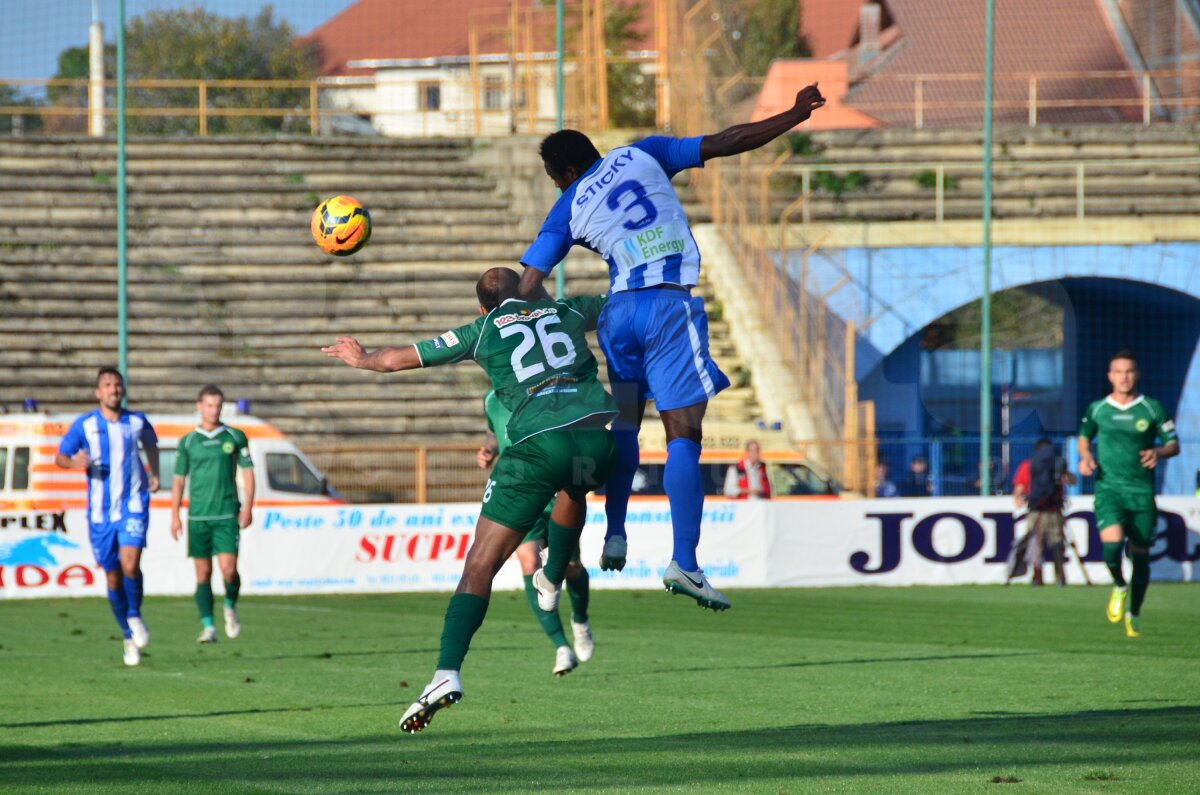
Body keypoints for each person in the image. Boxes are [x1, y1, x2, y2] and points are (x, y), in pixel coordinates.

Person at [516, 85, 827, 611]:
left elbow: (526, 287)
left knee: (627, 424)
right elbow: (727, 141)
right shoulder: (644, 152)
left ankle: (616, 532)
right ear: (593, 153)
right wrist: (794, 114)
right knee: (683, 432)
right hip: (666, 305)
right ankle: (685, 561)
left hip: (619, 316)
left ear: (563, 174)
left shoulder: (566, 208)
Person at [323, 267, 616, 733]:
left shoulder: (482, 329)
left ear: (482, 307)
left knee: (479, 566)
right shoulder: (566, 309)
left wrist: (363, 359)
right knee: (575, 488)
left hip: (537, 446)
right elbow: (622, 302)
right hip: (598, 438)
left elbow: (400, 358)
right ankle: (553, 575)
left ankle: (446, 671)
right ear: (530, 289)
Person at [477, 389, 594, 676]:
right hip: (520, 493)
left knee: (570, 568)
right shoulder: (491, 398)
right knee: (529, 561)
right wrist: (490, 449)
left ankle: (580, 620)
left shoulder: (548, 391)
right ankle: (561, 647)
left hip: (557, 493)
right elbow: (495, 431)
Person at [54, 367, 160, 666]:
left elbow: (151, 444)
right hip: (100, 513)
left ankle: (135, 614)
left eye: (117, 384)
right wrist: (75, 463)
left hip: (133, 504)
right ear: (98, 392)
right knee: (113, 575)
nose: (113, 389)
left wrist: (154, 473)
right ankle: (127, 635)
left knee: (131, 563)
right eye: (107, 385)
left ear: (123, 390)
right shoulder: (85, 425)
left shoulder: (137, 421)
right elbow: (60, 457)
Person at [1079, 351, 1179, 637]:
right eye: (1118, 372)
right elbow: (1084, 438)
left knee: (1141, 556)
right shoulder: (1099, 408)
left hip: (1141, 492)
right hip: (1109, 488)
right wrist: (1085, 457)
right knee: (1110, 546)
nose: (1124, 377)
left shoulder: (1151, 408)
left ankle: (1134, 613)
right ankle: (1119, 585)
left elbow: (1173, 444)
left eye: (1129, 371)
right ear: (1110, 376)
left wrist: (1158, 451)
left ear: (1137, 374)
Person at [170, 385, 255, 643]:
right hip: (198, 517)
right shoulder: (188, 441)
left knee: (229, 570)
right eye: (209, 404)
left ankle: (230, 604)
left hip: (227, 514)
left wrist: (249, 506)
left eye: (218, 405)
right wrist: (174, 514)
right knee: (203, 573)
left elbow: (249, 473)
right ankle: (208, 626)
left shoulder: (235, 436)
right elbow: (178, 479)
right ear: (199, 406)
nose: (213, 409)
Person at [1012, 439, 1075, 587]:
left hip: (1035, 509)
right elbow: (1070, 480)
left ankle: (1037, 577)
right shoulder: (1056, 464)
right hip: (1054, 510)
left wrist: (1017, 498)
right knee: (1057, 542)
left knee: (1034, 543)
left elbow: (1020, 487)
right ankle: (1060, 577)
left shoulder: (1028, 465)